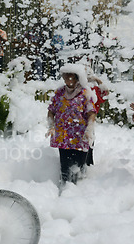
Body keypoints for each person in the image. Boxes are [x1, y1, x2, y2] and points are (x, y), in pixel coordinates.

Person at [46, 64, 96, 192]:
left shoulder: (85, 93)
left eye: (71, 75)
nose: (68, 78)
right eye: (65, 75)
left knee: (78, 168)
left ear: (76, 77)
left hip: (80, 137)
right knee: (65, 168)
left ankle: (78, 194)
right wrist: (51, 126)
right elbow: (51, 111)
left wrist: (89, 129)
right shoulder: (59, 92)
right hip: (63, 137)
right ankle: (63, 191)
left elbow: (91, 113)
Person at [86, 69, 109, 166]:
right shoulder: (75, 88)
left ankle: (88, 165)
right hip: (75, 121)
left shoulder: (93, 90)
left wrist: (97, 80)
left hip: (89, 121)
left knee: (89, 144)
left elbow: (105, 94)